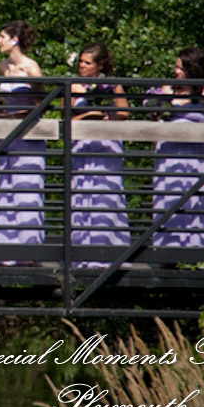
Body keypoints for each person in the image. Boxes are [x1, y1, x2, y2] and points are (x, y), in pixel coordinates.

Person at [145, 47, 204, 250]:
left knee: (198, 203)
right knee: (168, 202)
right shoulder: (167, 90)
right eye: (175, 67)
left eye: (180, 67)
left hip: (197, 156)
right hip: (169, 156)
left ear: (193, 69)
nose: (176, 71)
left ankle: (202, 253)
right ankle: (167, 254)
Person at [68, 43, 129, 268]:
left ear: (100, 65)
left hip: (106, 145)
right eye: (80, 61)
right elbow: (65, 120)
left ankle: (109, 252)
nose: (81, 66)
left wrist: (104, 118)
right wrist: (89, 114)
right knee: (83, 196)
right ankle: (82, 254)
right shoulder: (73, 86)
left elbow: (123, 113)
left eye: (87, 63)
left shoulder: (112, 86)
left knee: (106, 197)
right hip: (83, 146)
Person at [0, 21, 45, 263]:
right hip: (7, 134)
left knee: (27, 187)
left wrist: (19, 117)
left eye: (2, 37)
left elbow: (41, 103)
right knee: (7, 187)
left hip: (28, 134)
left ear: (14, 40)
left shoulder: (31, 68)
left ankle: (29, 249)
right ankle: (6, 249)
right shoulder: (3, 67)